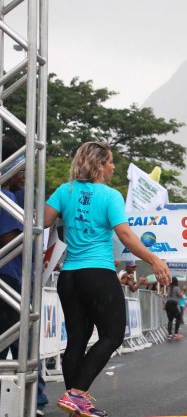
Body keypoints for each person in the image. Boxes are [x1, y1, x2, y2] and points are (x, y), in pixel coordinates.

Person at [44, 141, 171, 417]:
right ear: (100, 165)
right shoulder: (111, 196)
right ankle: (77, 394)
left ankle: (75, 405)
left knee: (77, 338)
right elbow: (125, 235)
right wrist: (155, 259)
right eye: (110, 161)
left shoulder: (64, 191)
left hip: (69, 276)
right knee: (112, 334)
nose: (113, 166)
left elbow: (41, 222)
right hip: (98, 274)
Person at [0, 137, 48, 415]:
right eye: (20, 168)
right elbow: (12, 241)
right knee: (22, 346)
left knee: (24, 345)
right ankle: (35, 401)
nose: (24, 175)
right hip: (10, 282)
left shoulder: (16, 197)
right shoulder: (6, 199)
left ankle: (35, 399)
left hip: (19, 282)